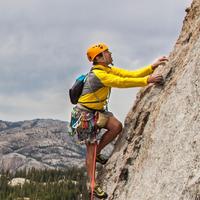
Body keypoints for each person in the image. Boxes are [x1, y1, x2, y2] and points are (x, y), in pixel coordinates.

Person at [70, 42, 168, 199]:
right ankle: (93, 185)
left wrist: (151, 67)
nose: (110, 54)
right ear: (99, 58)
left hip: (96, 111)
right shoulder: (100, 75)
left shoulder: (106, 69)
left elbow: (128, 74)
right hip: (85, 115)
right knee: (91, 149)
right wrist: (147, 80)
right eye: (106, 52)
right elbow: (121, 82)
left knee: (116, 126)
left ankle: (97, 154)